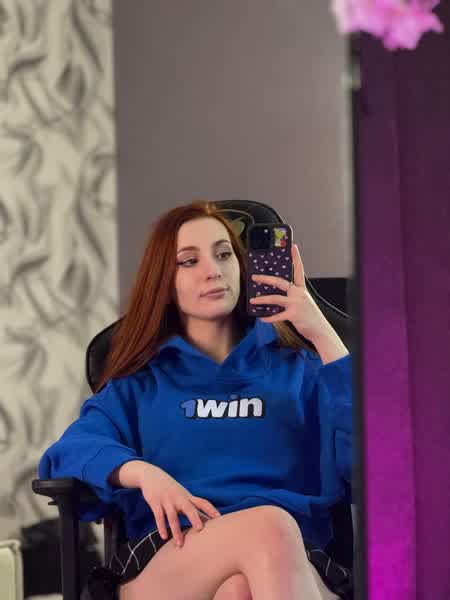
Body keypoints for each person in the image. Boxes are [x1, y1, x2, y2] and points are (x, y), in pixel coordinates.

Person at [38, 200, 353, 600]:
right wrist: (143, 473)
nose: (213, 270)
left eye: (224, 254)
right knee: (269, 527)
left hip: (297, 559)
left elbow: (379, 468)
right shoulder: (141, 383)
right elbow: (68, 453)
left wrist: (322, 334)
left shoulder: (305, 372)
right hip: (171, 557)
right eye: (189, 261)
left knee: (239, 589)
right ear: (164, 283)